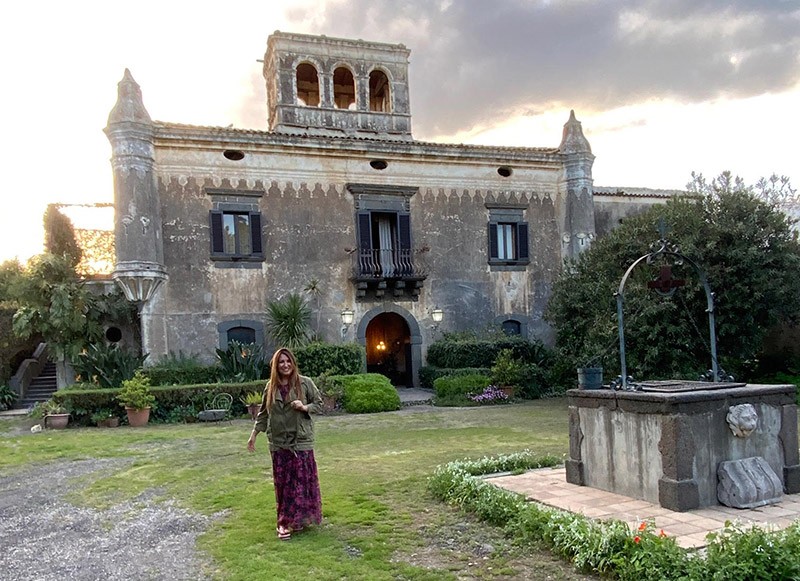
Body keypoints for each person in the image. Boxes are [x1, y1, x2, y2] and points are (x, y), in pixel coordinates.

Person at [247, 348, 323, 540]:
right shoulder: (270, 387)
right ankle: (283, 522)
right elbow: (263, 413)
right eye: (281, 362)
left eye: (288, 361)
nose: (285, 365)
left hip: (301, 441)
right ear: (275, 365)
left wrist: (304, 407)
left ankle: (297, 520)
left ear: (293, 363)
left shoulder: (305, 383)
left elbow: (319, 404)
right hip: (279, 443)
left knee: (300, 482)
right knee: (283, 484)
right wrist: (254, 434)